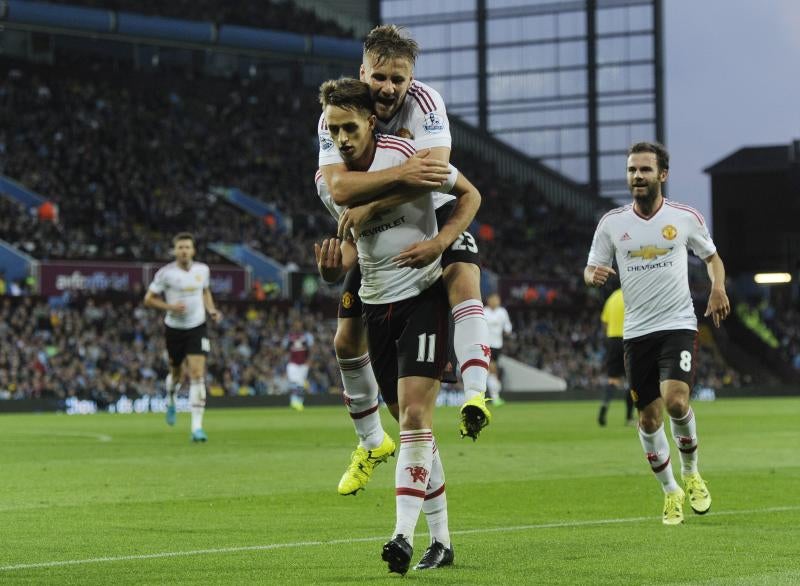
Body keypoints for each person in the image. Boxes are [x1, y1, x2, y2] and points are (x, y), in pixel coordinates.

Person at [315, 77, 481, 573]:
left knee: (413, 418)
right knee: (415, 430)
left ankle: (402, 537)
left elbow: (469, 193)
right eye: (332, 129)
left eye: (349, 127)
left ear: (370, 121)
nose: (341, 138)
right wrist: (332, 272)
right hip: (376, 302)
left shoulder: (408, 150)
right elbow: (355, 240)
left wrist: (441, 241)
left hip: (422, 294)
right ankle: (443, 541)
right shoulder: (328, 181)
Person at [584, 141, 730, 525]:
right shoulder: (612, 224)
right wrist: (592, 275)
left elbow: (712, 258)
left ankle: (692, 471)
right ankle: (670, 492)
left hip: (678, 325)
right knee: (649, 420)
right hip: (636, 334)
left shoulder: (683, 217)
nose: (637, 176)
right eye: (632, 170)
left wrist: (718, 287)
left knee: (677, 401)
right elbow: (591, 267)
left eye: (645, 170)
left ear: (662, 175)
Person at [144, 232, 222, 442]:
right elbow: (148, 300)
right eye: (180, 247)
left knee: (197, 373)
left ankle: (197, 428)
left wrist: (211, 309)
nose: (184, 251)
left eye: (187, 247)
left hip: (197, 326)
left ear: (193, 250)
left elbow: (205, 291)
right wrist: (169, 307)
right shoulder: (165, 274)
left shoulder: (202, 270)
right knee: (177, 374)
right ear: (175, 251)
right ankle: (171, 397)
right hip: (174, 329)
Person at [597, 287, 635, 426]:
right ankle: (629, 417)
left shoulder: (611, 298)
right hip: (629, 338)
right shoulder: (633, 294)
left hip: (612, 340)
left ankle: (604, 406)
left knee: (612, 379)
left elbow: (604, 323)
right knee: (632, 380)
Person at [483, 292, 512, 405]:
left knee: (490, 371)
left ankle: (494, 395)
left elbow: (508, 325)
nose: (496, 301)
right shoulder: (484, 312)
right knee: (491, 370)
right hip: (486, 345)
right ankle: (495, 396)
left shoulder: (502, 312)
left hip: (497, 345)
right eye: (494, 299)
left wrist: (508, 331)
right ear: (489, 300)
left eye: (497, 299)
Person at [282, 320, 314, 411]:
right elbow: (284, 349)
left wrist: (309, 361)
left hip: (304, 363)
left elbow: (311, 349)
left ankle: (299, 402)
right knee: (293, 382)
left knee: (300, 384)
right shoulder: (289, 337)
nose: (297, 327)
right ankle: (293, 402)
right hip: (292, 363)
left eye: (299, 325)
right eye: (296, 325)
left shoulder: (307, 336)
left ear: (302, 326)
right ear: (293, 326)